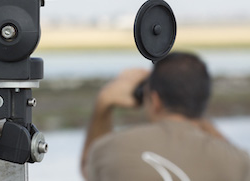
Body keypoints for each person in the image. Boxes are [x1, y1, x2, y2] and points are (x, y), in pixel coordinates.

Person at [80, 51, 250, 181]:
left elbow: (89, 168)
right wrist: (192, 105)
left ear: (155, 100)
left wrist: (104, 103)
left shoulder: (112, 148)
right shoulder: (238, 161)